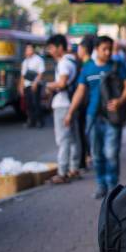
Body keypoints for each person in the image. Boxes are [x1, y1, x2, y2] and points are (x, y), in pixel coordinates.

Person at [65, 36, 126, 199]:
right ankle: (101, 185)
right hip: (93, 117)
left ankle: (113, 187)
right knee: (97, 154)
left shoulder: (117, 65)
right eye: (104, 49)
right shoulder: (88, 68)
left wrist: (120, 101)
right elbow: (80, 91)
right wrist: (70, 112)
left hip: (112, 117)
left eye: (110, 49)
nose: (108, 52)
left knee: (111, 153)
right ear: (96, 49)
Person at [45, 35, 81, 183]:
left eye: (51, 48)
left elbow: (61, 83)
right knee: (73, 138)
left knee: (63, 139)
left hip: (63, 104)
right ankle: (74, 169)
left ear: (59, 47)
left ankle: (62, 172)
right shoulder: (72, 60)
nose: (50, 51)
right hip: (69, 103)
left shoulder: (64, 63)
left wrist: (48, 85)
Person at [76, 35, 95, 171]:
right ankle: (86, 156)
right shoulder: (86, 64)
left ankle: (84, 159)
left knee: (83, 133)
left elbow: (82, 89)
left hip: (84, 105)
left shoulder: (87, 66)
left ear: (84, 49)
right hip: (86, 104)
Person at [19, 44, 45, 128]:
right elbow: (22, 75)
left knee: (36, 103)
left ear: (33, 50)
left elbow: (41, 73)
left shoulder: (38, 60)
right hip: (27, 85)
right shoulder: (25, 62)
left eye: (29, 49)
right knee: (28, 104)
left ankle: (39, 121)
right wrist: (21, 86)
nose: (27, 51)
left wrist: (35, 83)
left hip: (36, 85)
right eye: (26, 49)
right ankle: (31, 121)